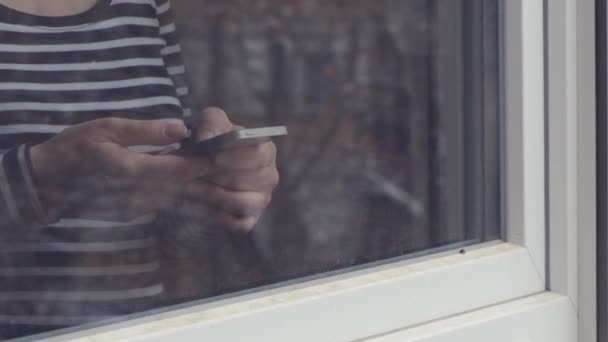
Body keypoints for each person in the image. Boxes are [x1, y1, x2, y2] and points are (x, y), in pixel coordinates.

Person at [0, 0, 279, 339]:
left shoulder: (142, 5)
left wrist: (220, 183)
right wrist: (35, 180)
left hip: (140, 328)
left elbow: (173, 226)